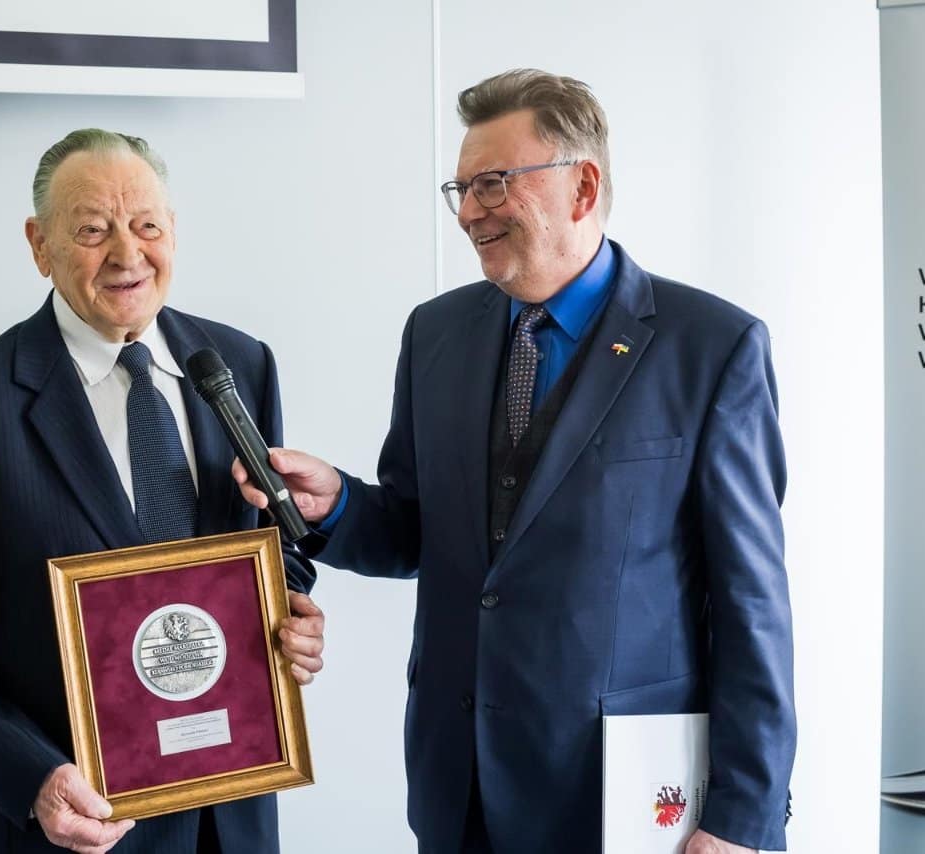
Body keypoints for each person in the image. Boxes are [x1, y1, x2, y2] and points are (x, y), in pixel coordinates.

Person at [236, 70, 795, 853]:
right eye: (461, 189)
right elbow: (416, 532)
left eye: (494, 183)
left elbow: (751, 604)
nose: (470, 211)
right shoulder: (434, 334)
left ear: (582, 186)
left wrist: (741, 817)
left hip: (625, 800)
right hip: (458, 786)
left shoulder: (712, 348)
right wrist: (338, 505)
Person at [0, 128, 325, 854]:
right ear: (40, 245)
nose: (128, 254)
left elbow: (275, 552)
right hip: (79, 828)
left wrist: (290, 616)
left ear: (173, 230)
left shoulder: (239, 363)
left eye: (147, 225)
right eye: (93, 230)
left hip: (233, 816)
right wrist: (32, 779)